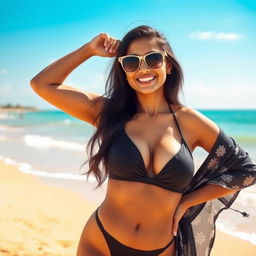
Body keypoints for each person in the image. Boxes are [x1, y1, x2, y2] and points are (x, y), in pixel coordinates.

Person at [30, 25, 256, 256]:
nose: (143, 69)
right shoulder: (108, 113)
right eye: (132, 62)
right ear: (124, 71)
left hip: (161, 249)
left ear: (168, 66)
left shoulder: (190, 122)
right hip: (100, 241)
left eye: (153, 59)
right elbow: (42, 84)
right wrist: (88, 50)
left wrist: (188, 201)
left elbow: (247, 170)